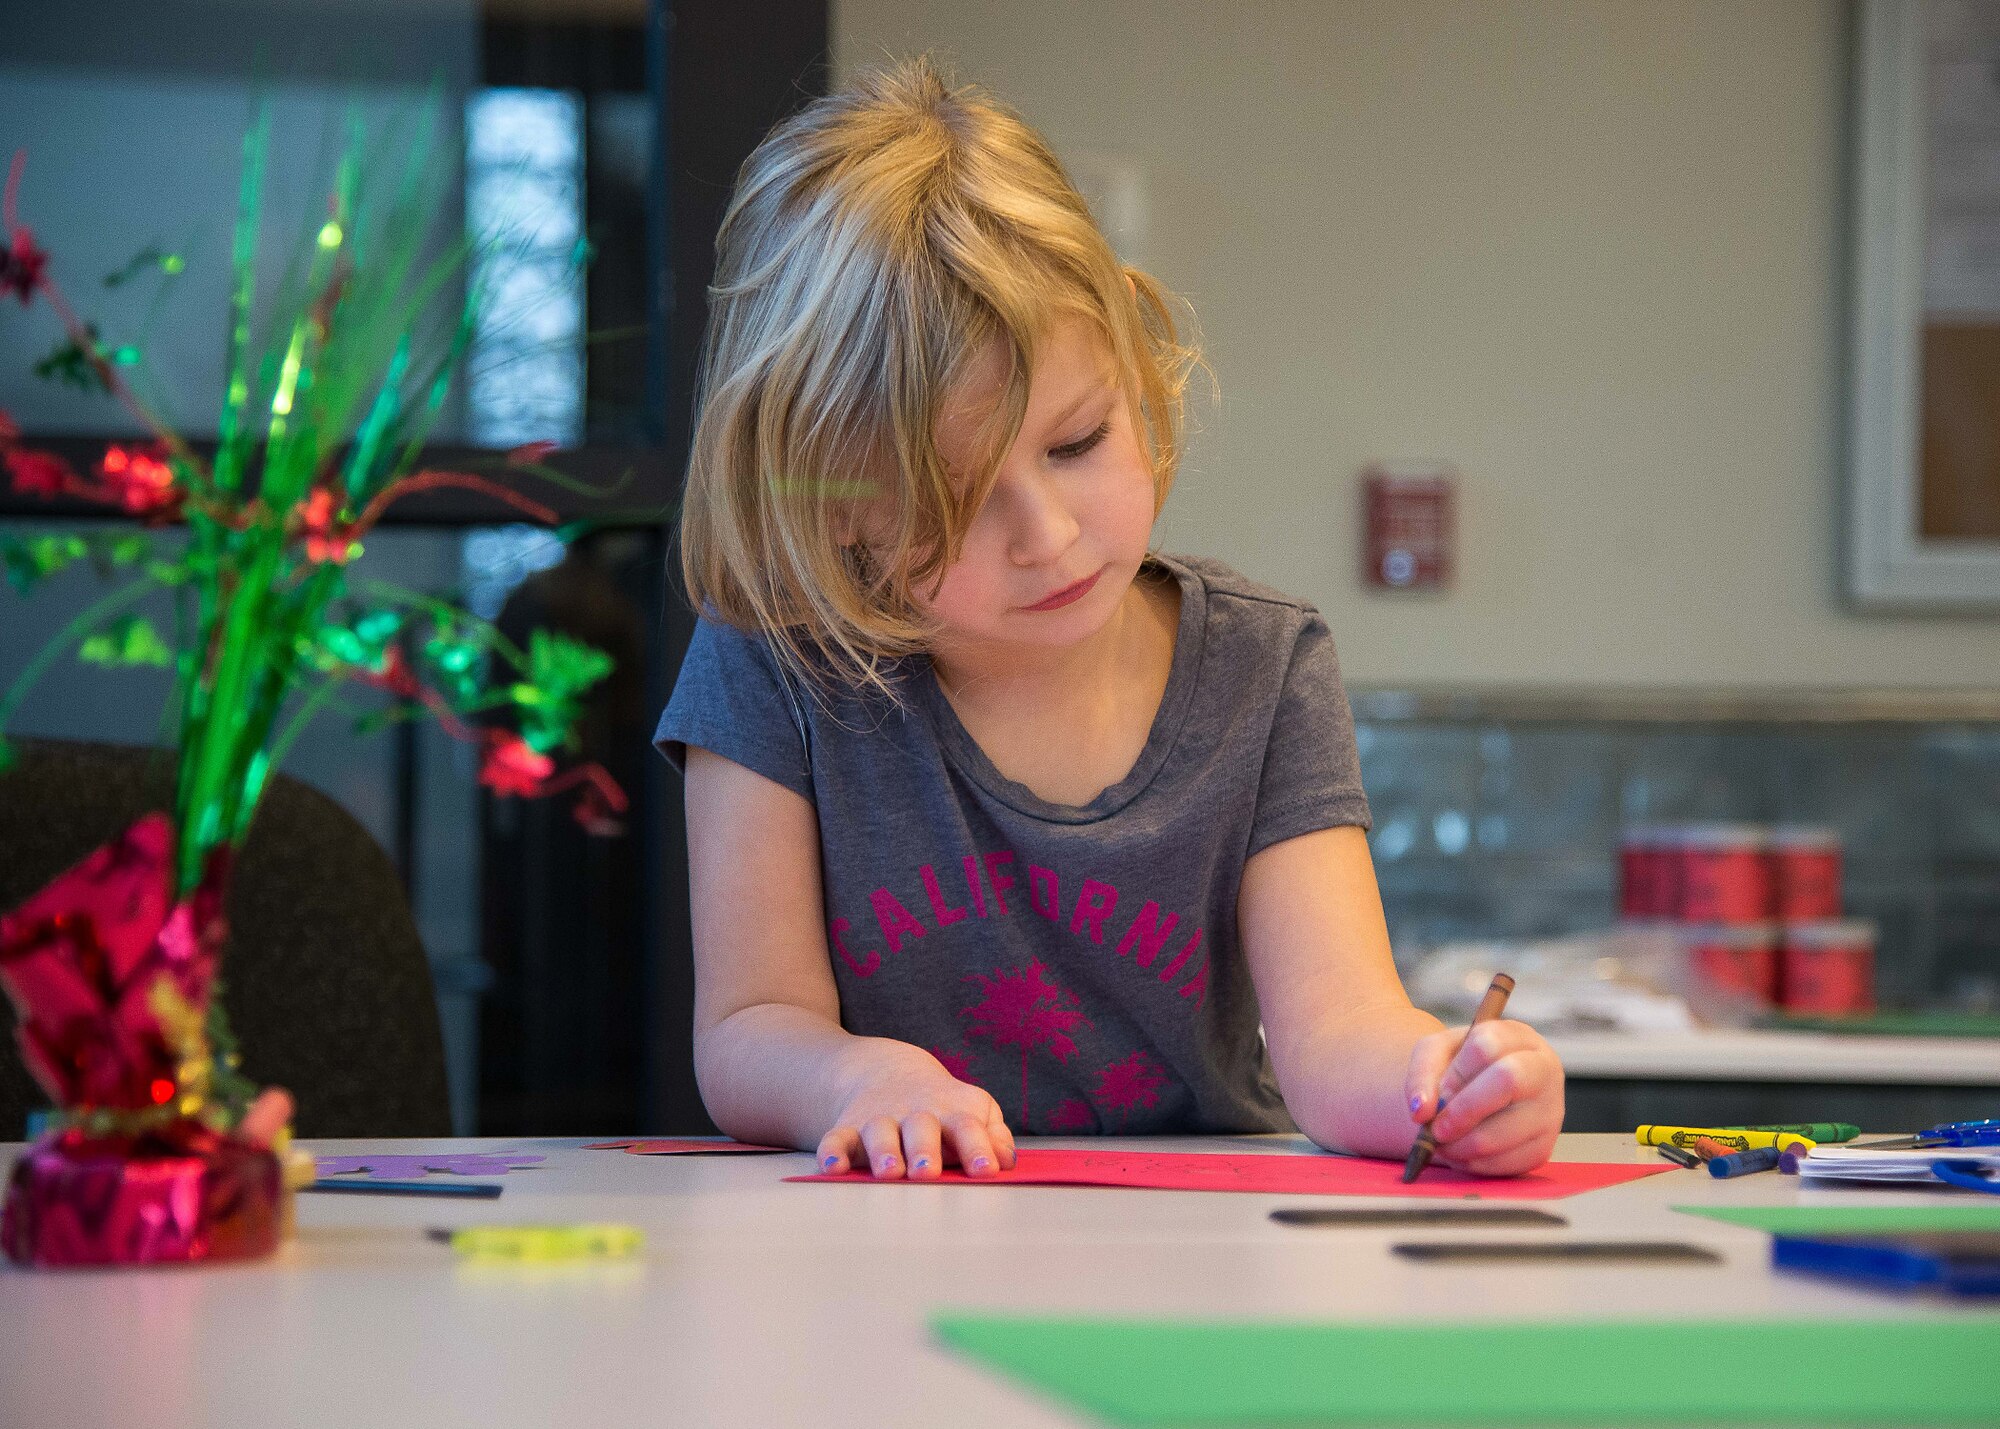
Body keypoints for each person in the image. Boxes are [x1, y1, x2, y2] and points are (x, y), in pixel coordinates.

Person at [659, 56, 1564, 1181]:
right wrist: (856, 1078)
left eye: (1077, 442)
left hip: (1204, 1259)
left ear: (1134, 367)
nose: (1047, 534)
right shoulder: (774, 664)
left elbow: (1337, 1036)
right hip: (879, 1246)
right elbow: (748, 1024)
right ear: (836, 502)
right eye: (954, 498)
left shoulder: (1262, 665)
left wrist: (1444, 1083)